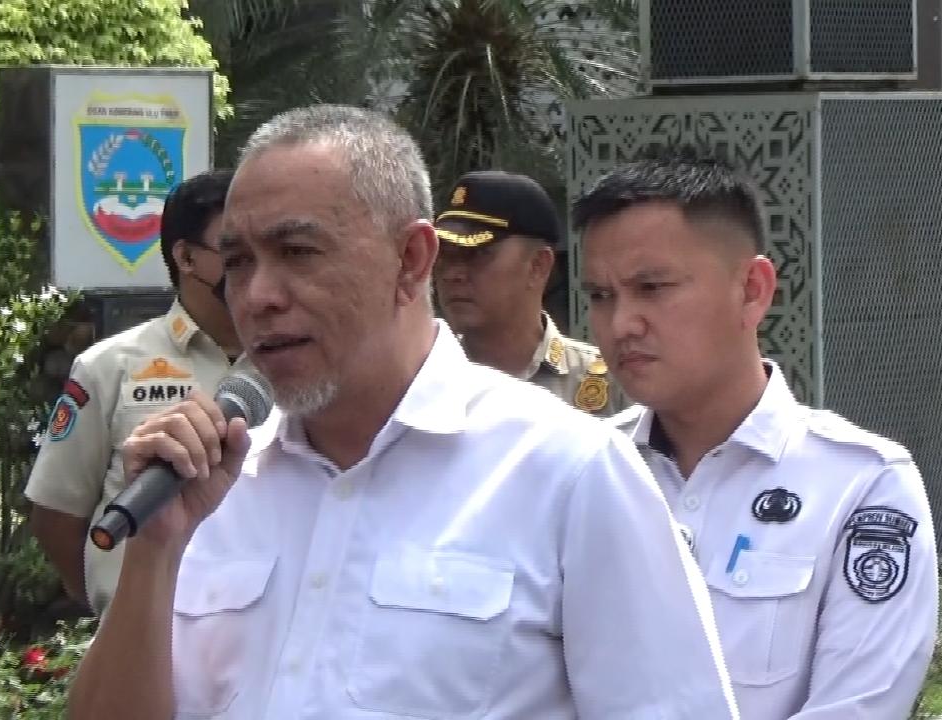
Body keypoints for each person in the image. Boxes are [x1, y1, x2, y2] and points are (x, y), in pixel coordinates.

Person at [67, 105, 740, 719]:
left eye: (297, 252)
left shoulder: (566, 472)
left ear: (412, 260)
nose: (259, 295)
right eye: (238, 262)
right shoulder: (209, 490)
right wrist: (155, 553)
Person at [574, 151, 939, 719]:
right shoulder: (581, 471)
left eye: (652, 287)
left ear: (752, 289)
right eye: (601, 296)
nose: (621, 324)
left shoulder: (861, 487)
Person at [23, 169, 243, 616]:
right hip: (146, 634)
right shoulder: (109, 365)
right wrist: (114, 602)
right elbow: (56, 517)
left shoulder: (294, 362)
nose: (255, 267)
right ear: (186, 257)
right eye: (234, 251)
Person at [434, 170, 626, 415]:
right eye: (445, 255)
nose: (453, 274)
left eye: (477, 254)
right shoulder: (419, 385)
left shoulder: (611, 384)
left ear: (538, 266)